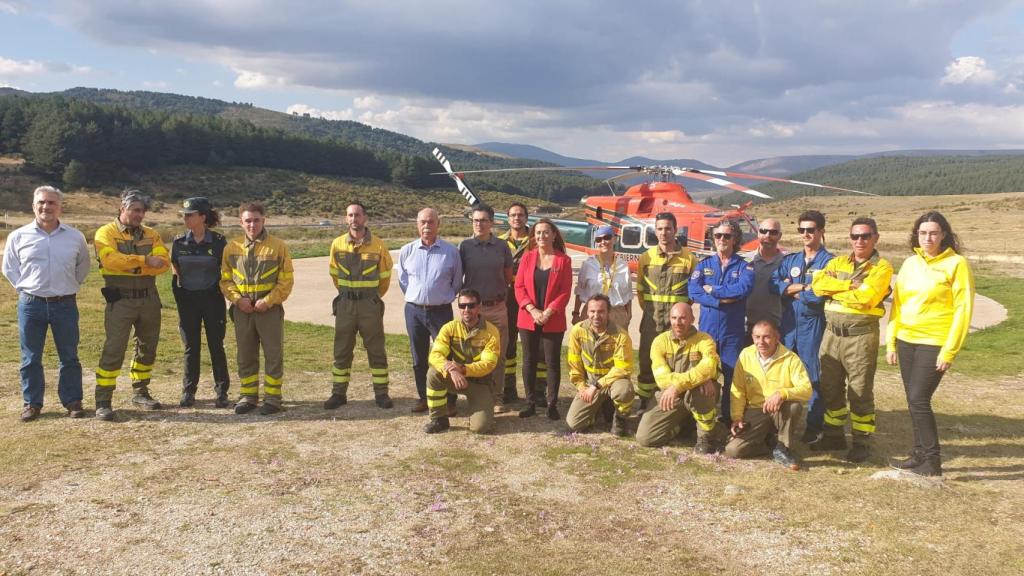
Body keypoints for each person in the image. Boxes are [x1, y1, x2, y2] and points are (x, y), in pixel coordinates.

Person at [886, 212, 974, 477]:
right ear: (917, 235)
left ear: (944, 235)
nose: (928, 238)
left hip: (934, 342)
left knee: (919, 398)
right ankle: (918, 454)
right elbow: (898, 305)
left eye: (933, 233)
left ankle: (933, 462)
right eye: (923, 233)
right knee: (913, 401)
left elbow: (963, 309)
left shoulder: (956, 264)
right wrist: (890, 342)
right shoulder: (910, 263)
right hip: (906, 341)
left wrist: (950, 349)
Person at [809, 217, 893, 462]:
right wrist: (850, 285)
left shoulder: (882, 267)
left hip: (860, 336)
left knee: (859, 390)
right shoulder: (837, 261)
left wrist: (838, 290)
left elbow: (866, 298)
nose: (859, 241)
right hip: (831, 334)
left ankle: (861, 441)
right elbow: (818, 285)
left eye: (865, 236)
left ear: (875, 238)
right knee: (829, 386)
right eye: (855, 236)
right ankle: (833, 435)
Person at [3, 186, 90, 421]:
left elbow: (83, 267)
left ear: (60, 206)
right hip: (31, 305)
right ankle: (32, 404)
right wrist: (27, 288)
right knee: (30, 358)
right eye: (41, 202)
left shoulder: (75, 236)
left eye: (51, 202)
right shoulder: (18, 236)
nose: (46, 207)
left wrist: (68, 286)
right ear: (33, 206)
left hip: (65, 305)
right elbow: (9, 268)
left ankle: (73, 401)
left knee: (69, 356)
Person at [92, 189, 171, 421]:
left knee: (148, 347)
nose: (139, 215)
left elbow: (164, 263)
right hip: (120, 299)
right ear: (122, 209)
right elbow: (110, 260)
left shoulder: (152, 234)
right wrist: (144, 261)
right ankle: (103, 399)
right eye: (135, 210)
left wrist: (131, 264)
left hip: (149, 298)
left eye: (142, 211)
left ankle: (140, 391)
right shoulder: (105, 233)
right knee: (114, 347)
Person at [220, 202, 294, 415]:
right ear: (241, 223)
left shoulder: (278, 247)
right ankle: (248, 396)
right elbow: (225, 280)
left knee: (273, 354)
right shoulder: (231, 248)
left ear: (264, 220)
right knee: (245, 354)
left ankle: (272, 399)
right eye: (248, 221)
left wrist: (268, 301)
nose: (252, 225)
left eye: (256, 220)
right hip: (242, 310)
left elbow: (286, 281)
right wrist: (237, 300)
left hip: (268, 310)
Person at [324, 202, 394, 409]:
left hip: (369, 305)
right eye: (350, 215)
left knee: (376, 350)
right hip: (345, 304)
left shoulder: (378, 245)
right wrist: (347, 294)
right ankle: (338, 393)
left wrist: (371, 297)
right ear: (346, 219)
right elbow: (335, 275)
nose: (354, 219)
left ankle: (381, 394)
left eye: (357, 215)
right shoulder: (337, 244)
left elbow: (385, 278)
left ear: (365, 218)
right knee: (342, 350)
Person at [771, 210, 833, 442]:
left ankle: (814, 426)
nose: (806, 234)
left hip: (813, 323)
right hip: (788, 324)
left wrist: (793, 289)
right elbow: (773, 284)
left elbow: (820, 295)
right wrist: (803, 288)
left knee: (813, 375)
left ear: (821, 232)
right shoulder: (791, 260)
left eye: (810, 230)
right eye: (801, 230)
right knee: (783, 372)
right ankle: (780, 423)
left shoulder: (830, 262)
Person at [689, 220, 755, 424]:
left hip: (732, 333)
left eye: (727, 236)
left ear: (735, 239)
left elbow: (742, 289)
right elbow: (693, 291)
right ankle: (699, 417)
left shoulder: (745, 266)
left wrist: (714, 290)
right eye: (718, 236)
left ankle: (729, 418)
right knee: (702, 374)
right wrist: (720, 301)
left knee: (732, 378)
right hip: (707, 332)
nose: (722, 240)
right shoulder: (704, 265)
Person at [725, 319, 812, 471]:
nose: (761, 342)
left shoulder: (790, 358)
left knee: (794, 406)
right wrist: (737, 417)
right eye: (757, 337)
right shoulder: (746, 355)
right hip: (755, 410)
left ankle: (783, 448)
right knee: (733, 450)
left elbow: (806, 389)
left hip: (779, 409)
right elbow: (738, 388)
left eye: (766, 337)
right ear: (752, 337)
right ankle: (769, 443)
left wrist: (782, 393)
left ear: (777, 337)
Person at [399, 207, 462, 414]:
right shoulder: (407, 251)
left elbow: (456, 282)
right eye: (423, 222)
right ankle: (423, 397)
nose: (427, 226)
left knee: (447, 355)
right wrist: (419, 297)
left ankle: (450, 399)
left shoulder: (451, 251)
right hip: (414, 311)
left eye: (431, 222)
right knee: (418, 356)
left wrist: (439, 297)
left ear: (438, 224)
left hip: (441, 311)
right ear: (417, 224)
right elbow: (404, 281)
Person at [636, 302, 722, 452]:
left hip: (694, 392)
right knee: (645, 438)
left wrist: (678, 386)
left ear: (692, 319)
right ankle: (683, 425)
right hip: (670, 393)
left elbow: (708, 367)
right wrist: (697, 378)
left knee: (704, 390)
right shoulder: (659, 341)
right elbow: (662, 379)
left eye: (683, 318)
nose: (678, 323)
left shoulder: (705, 340)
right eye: (674, 318)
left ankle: (707, 437)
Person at [635, 213, 698, 413]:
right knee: (646, 358)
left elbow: (693, 292)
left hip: (677, 322)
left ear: (675, 230)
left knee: (676, 360)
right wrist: (650, 313)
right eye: (660, 228)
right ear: (656, 230)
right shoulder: (646, 257)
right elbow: (640, 290)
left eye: (668, 228)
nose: (664, 232)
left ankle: (673, 400)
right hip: (651, 320)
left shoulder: (689, 259)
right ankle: (645, 399)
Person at [171, 197, 230, 408]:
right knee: (190, 347)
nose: (185, 218)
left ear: (202, 217)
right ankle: (188, 392)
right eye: (184, 215)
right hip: (188, 301)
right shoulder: (178, 243)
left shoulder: (219, 242)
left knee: (216, 346)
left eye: (190, 215)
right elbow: (175, 267)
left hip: (212, 299)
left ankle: (222, 392)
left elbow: (227, 270)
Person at [514, 218, 573, 419]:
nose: (541, 236)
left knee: (552, 362)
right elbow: (519, 287)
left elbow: (565, 291)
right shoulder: (527, 257)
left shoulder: (563, 260)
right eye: (538, 233)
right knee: (529, 361)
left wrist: (548, 312)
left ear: (554, 235)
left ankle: (551, 404)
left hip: (553, 319)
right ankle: (530, 403)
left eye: (546, 232)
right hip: (528, 317)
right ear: (534, 236)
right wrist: (532, 310)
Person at [460, 204, 514, 413]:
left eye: (483, 220)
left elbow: (507, 276)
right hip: (473, 311)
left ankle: (497, 397)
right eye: (475, 220)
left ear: (491, 223)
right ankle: (477, 397)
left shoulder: (502, 247)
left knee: (498, 356)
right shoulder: (464, 247)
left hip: (497, 308)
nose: (479, 224)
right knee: (473, 355)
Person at [423, 289, 501, 434]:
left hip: (481, 383)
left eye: (471, 306)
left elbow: (488, 364)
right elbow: (435, 355)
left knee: (480, 428)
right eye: (462, 306)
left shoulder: (491, 332)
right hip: (456, 377)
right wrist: (451, 368)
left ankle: (484, 409)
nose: (466, 310)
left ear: (479, 307)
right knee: (433, 373)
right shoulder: (449, 328)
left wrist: (463, 369)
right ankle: (439, 419)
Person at [565, 294, 634, 436]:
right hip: (590, 384)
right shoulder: (578, 331)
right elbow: (574, 364)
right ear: (587, 312)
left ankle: (621, 418)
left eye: (601, 311)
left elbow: (622, 368)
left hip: (613, 382)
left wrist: (596, 387)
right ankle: (595, 412)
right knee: (574, 423)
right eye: (592, 311)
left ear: (609, 313)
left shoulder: (621, 335)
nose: (596, 315)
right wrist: (581, 387)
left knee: (624, 390)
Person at [499, 202, 533, 403]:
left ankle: (537, 390)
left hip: (531, 296)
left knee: (534, 347)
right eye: (513, 215)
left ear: (527, 218)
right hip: (508, 296)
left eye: (520, 215)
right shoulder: (500, 242)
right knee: (509, 344)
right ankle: (509, 388)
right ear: (508, 218)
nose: (516, 218)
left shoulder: (536, 240)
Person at [572, 225, 633, 331]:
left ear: (614, 239)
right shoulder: (588, 264)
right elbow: (580, 291)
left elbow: (628, 293)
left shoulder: (623, 265)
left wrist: (629, 314)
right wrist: (576, 313)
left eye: (607, 237)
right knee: (590, 346)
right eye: (599, 239)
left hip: (617, 313)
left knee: (617, 346)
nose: (603, 242)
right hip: (592, 314)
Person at [745, 218, 784, 339]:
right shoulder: (745, 261)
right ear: (758, 233)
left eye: (773, 232)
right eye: (763, 231)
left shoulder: (787, 263)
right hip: (748, 326)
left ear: (780, 236)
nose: (767, 235)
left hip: (778, 327)